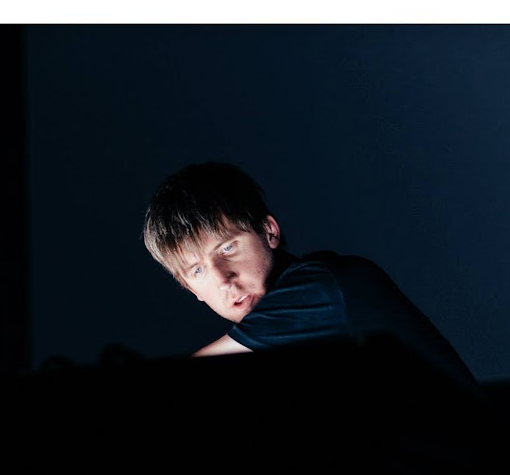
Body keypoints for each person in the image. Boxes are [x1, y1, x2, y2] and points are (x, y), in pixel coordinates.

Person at [141, 161, 481, 396]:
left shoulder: (326, 286)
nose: (222, 279)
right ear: (191, 289)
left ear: (269, 231)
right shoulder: (280, 351)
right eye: (197, 270)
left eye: (228, 247)